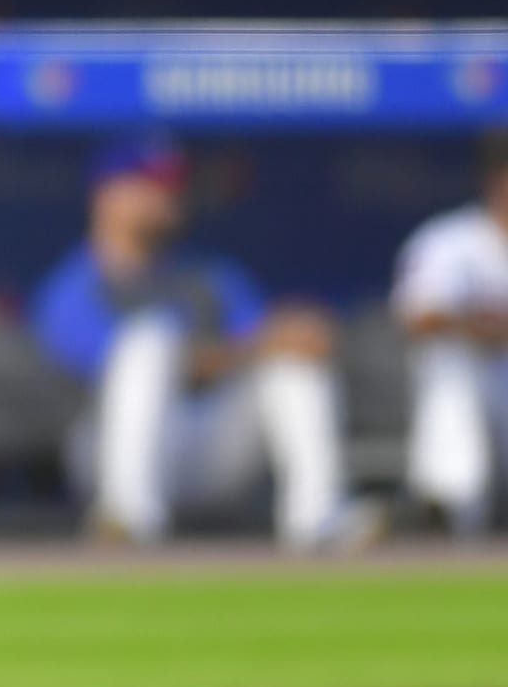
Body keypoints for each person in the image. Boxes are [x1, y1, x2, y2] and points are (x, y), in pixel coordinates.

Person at [30, 135, 377, 551]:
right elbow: (119, 369)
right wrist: (248, 348)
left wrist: (293, 335)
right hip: (104, 449)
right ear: (108, 195)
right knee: (149, 340)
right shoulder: (73, 287)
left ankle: (318, 517)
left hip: (209, 446)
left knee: (291, 363)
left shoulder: (210, 278)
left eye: (173, 185)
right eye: (152, 185)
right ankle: (126, 517)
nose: (168, 197)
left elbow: (261, 342)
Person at [391, 135, 508, 538]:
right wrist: (481, 326)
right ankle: (450, 514)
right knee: (452, 363)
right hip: (472, 382)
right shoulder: (451, 240)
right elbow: (419, 318)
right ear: (497, 182)